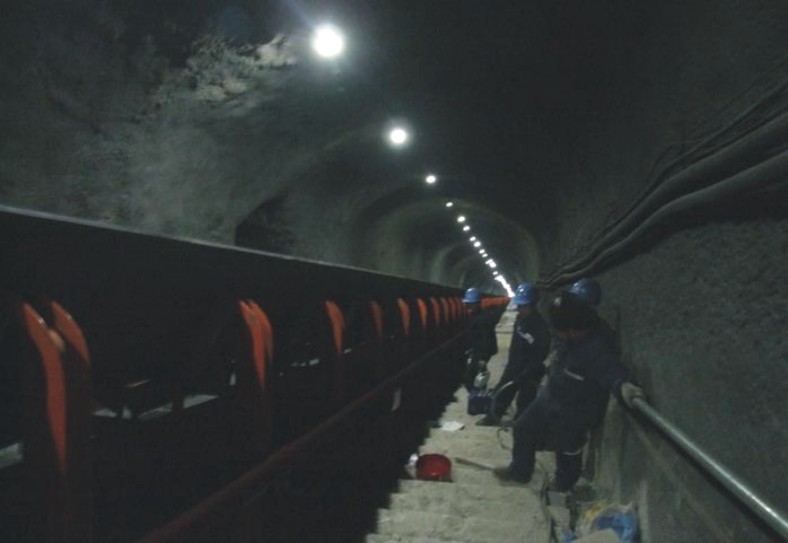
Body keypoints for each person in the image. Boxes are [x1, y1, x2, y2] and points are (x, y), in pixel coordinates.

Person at [493, 291, 644, 491]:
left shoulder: (596, 346)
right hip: (554, 394)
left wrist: (624, 386)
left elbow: (612, 370)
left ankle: (564, 485)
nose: (559, 335)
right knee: (523, 427)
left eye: (561, 332)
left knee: (568, 446)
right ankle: (520, 472)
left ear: (574, 329)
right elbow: (559, 355)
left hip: (579, 405)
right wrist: (543, 367)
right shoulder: (569, 337)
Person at [477, 282, 550, 426]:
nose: (519, 308)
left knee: (526, 397)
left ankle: (521, 422)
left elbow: (542, 351)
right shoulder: (520, 320)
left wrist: (530, 370)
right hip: (515, 364)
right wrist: (512, 362)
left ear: (533, 304)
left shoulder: (539, 326)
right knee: (503, 391)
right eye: (519, 305)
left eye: (523, 306)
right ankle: (493, 416)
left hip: (530, 368)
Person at [461, 287, 499, 390]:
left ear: (477, 304)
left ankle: (478, 395)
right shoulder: (475, 316)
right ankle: (479, 395)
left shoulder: (483, 319)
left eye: (471, 304)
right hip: (476, 351)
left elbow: (488, 339)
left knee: (470, 378)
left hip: (481, 353)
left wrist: (484, 358)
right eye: (468, 304)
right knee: (477, 377)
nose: (469, 307)